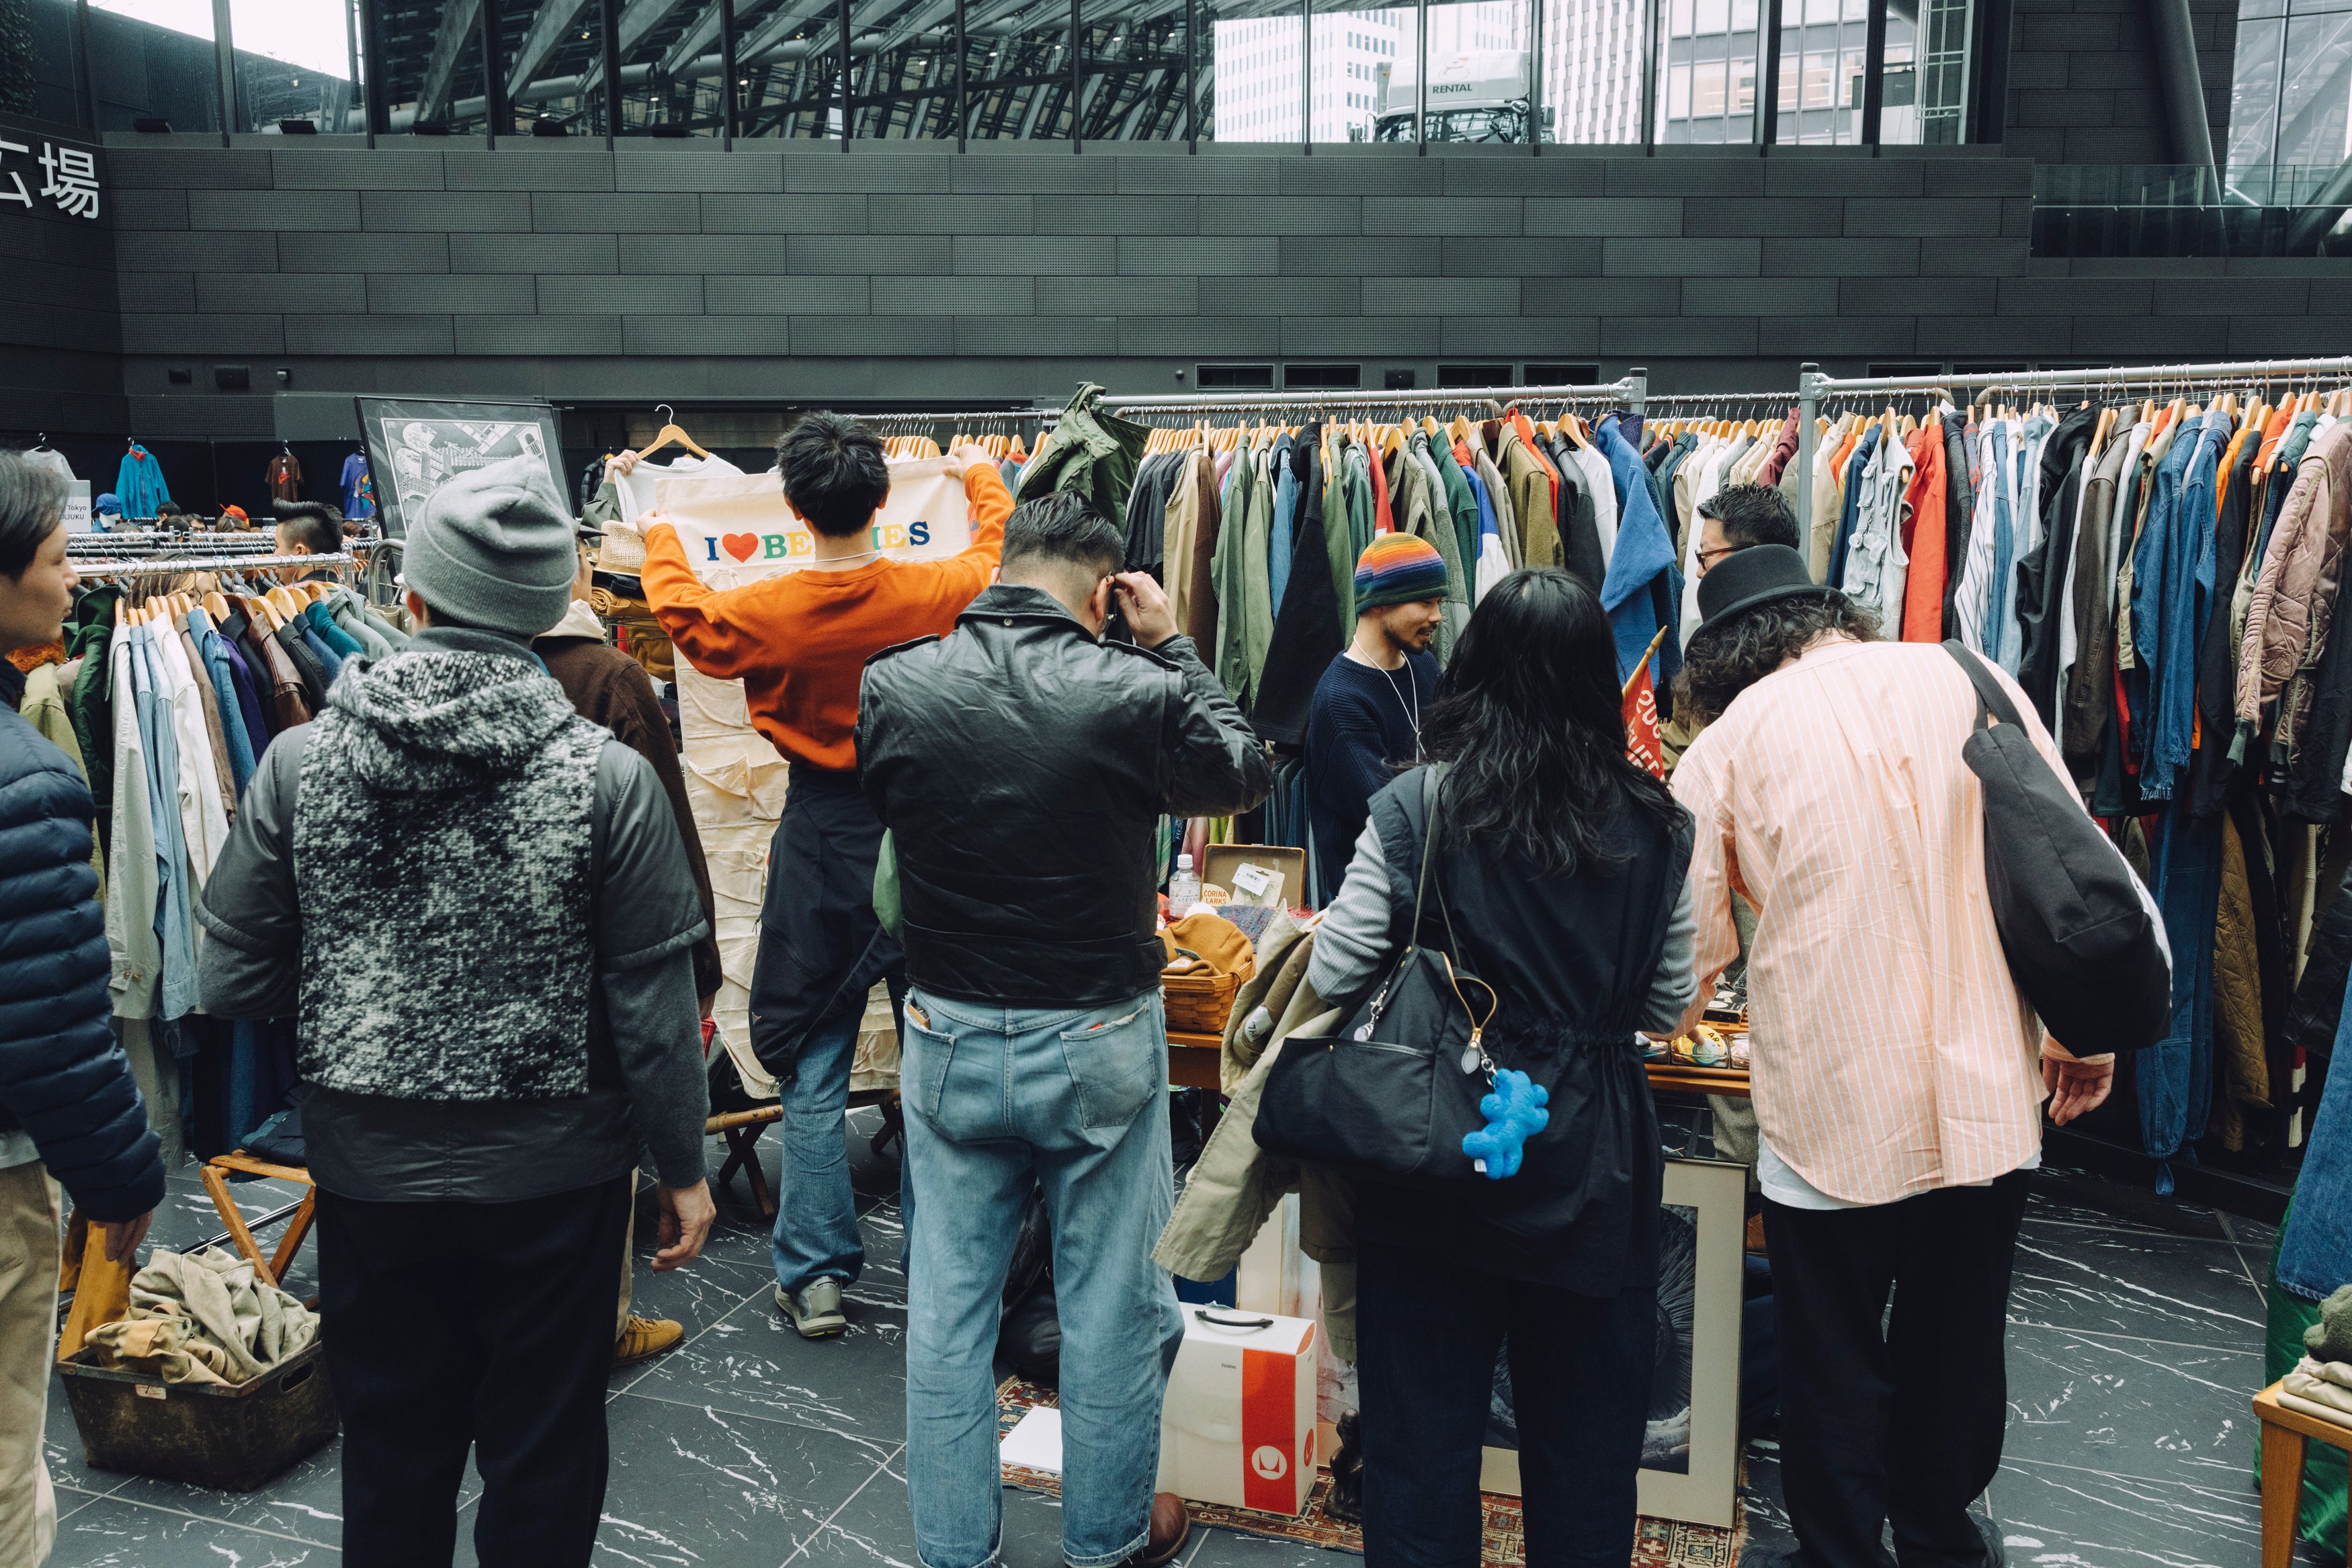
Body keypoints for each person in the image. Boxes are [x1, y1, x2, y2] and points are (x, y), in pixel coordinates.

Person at [195, 456, 718, 1568]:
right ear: (550, 608)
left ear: (412, 596)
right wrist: (683, 1166)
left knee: (392, 1451)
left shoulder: (301, 760)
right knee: (546, 1451)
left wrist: (357, 1004)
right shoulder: (607, 778)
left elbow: (231, 972)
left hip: (367, 1164)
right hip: (557, 1170)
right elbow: (653, 1005)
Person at [1669, 544, 2129, 1568]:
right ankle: (1938, 1535)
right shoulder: (1971, 675)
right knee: (1957, 1336)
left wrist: (1667, 1024)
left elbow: (1687, 951)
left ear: (1726, 658)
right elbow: (2071, 859)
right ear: (1831, 614)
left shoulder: (1727, 743)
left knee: (1830, 1345)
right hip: (1987, 1082)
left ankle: (1840, 1549)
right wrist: (2078, 1030)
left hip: (1830, 1093)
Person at [857, 490, 1270, 1568]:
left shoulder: (895, 681)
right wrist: (1171, 642)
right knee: (1111, 1308)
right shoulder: (1134, 687)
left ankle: (957, 1549)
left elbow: (896, 817)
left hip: (949, 1025)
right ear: (1104, 594)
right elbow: (1241, 772)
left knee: (948, 1310)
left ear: (1003, 569)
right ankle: (1105, 1541)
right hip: (1093, 1032)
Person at [1304, 567, 1696, 1568]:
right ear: (1596, 681)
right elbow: (1666, 1006)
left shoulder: (1417, 805)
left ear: (1473, 672)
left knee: (1419, 1443)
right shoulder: (1659, 825)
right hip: (1596, 1154)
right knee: (1587, 1449)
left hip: (1436, 1142)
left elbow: (1336, 968)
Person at [632, 414, 1012, 1338]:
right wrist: (977, 474)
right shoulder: (934, 590)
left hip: (820, 835)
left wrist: (660, 527)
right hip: (926, 838)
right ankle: (942, 1273)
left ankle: (814, 1279)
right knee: (937, 1062)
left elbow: (683, 613)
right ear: (881, 500)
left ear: (795, 510)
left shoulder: (765, 609)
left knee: (814, 1055)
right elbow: (995, 556)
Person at [0, 451, 166, 1568]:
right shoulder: (27, 777)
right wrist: (122, 1179)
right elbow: (48, 1022)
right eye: (59, 560)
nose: (74, 583)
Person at [537, 526, 726, 1369]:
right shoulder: (606, 675)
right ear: (572, 578)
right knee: (595, 1134)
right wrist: (701, 961)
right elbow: (667, 832)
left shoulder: (376, 693)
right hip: (592, 964)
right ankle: (603, 1322)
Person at [1304, 533, 1447, 901]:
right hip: (1376, 906)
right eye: (1426, 602)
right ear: (1382, 602)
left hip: (1430, 890)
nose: (1437, 616)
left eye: (1439, 603)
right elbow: (1392, 819)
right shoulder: (1340, 702)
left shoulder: (1423, 666)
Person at [272, 500, 344, 583]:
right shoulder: (351, 591)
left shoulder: (291, 593)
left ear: (300, 551)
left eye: (277, 546)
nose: (274, 556)